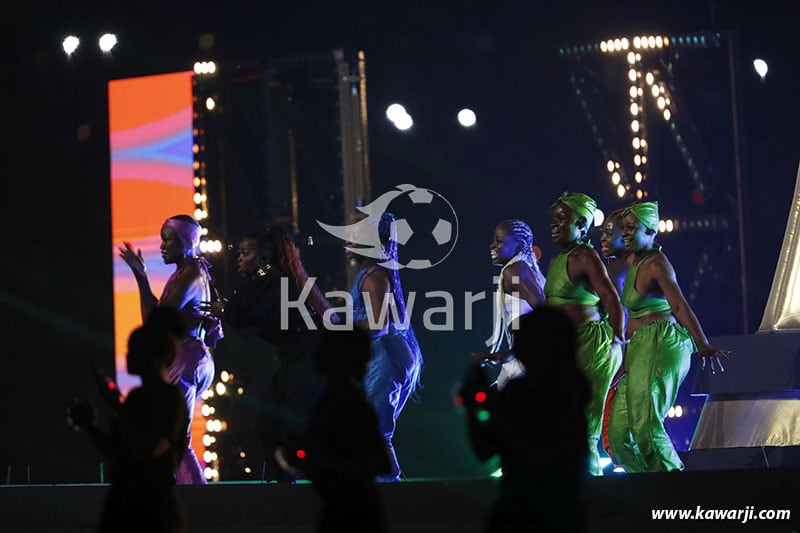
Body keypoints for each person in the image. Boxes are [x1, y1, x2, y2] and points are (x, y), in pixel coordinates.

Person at [203, 224, 333, 482]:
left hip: (305, 360)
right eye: (239, 253)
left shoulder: (272, 279)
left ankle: (301, 479)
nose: (239, 258)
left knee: (286, 422)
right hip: (296, 358)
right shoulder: (271, 280)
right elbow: (253, 318)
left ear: (262, 257)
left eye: (246, 253)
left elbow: (252, 315)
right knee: (272, 420)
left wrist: (226, 310)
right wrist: (229, 310)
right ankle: (283, 479)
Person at [607, 201, 728, 472]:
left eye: (631, 228)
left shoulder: (657, 263)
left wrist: (702, 343)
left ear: (651, 231)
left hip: (660, 344)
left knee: (645, 425)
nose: (624, 233)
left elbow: (679, 306)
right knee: (619, 436)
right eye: (623, 228)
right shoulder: (629, 260)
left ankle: (674, 485)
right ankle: (648, 488)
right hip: (637, 348)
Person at [462, 308, 590, 532]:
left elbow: (486, 449)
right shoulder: (574, 392)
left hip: (519, 512)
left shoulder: (519, 393)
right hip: (566, 513)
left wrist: (475, 407)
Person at [119, 214, 217, 484]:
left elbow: (153, 322)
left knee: (175, 438)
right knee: (170, 434)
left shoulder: (189, 277)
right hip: (192, 358)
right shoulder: (190, 272)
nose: (162, 246)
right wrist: (141, 276)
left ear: (185, 242)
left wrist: (140, 276)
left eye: (167, 240)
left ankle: (199, 498)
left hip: (185, 361)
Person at [68, 318, 189, 532]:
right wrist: (89, 425)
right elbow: (120, 452)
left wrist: (117, 408)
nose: (128, 356)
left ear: (155, 359)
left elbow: (144, 452)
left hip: (152, 513)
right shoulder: (138, 398)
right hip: (125, 507)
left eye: (134, 351)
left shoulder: (170, 399)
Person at [545, 191, 625, 476]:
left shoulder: (586, 257)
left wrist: (618, 339)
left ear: (581, 223)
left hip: (590, 345)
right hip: (562, 348)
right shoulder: (555, 262)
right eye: (553, 218)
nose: (554, 224)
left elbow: (612, 299)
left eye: (561, 218)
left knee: (583, 424)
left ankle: (591, 488)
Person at [349, 212, 423, 482]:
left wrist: (341, 327)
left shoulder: (374, 277)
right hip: (386, 356)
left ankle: (392, 488)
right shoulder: (370, 274)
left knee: (376, 431)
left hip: (385, 357)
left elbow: (379, 324)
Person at [304, 329, 392, 532]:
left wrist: (320, 461)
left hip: (350, 512)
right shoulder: (350, 401)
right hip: (356, 510)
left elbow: (380, 462)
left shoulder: (343, 403)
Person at [483, 219, 546, 389]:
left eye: (499, 241)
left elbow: (545, 312)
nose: (492, 245)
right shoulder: (520, 268)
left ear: (518, 246)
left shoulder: (514, 271)